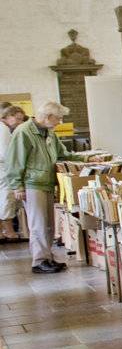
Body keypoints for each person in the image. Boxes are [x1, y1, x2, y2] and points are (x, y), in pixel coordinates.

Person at [3, 101, 87, 273]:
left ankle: (47, 257)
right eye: (59, 118)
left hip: (47, 182)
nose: (60, 122)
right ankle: (39, 261)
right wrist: (17, 186)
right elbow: (15, 161)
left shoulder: (49, 132)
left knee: (48, 225)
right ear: (48, 117)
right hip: (32, 184)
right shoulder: (24, 132)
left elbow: (63, 154)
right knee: (38, 224)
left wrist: (87, 159)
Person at [0, 104, 29, 243]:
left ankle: (3, 232)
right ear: (8, 116)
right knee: (7, 198)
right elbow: (7, 154)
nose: (19, 122)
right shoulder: (4, 129)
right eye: (17, 119)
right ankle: (10, 232)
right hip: (4, 170)